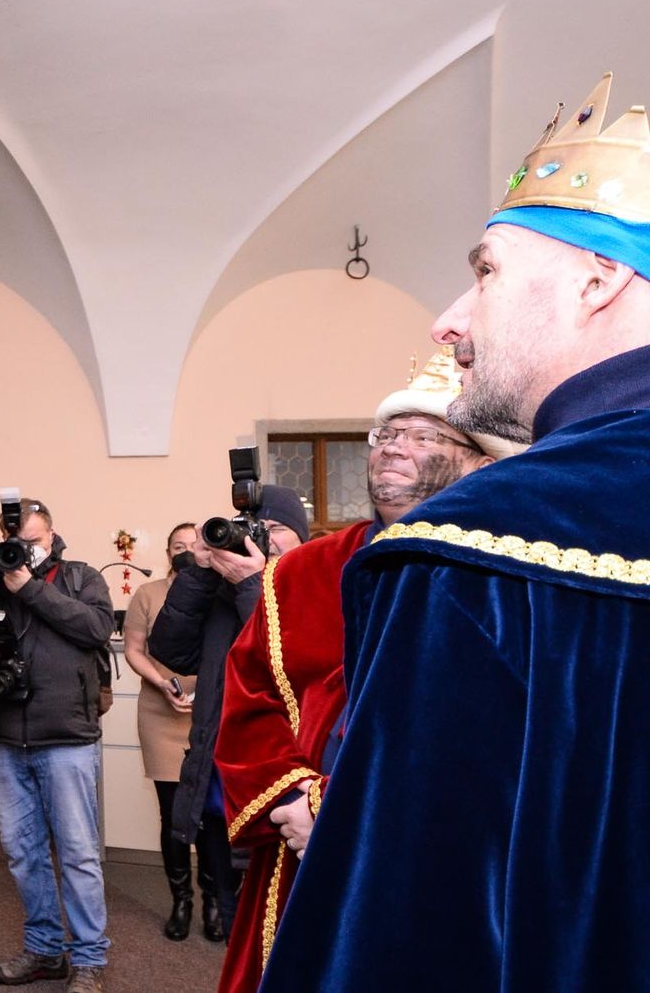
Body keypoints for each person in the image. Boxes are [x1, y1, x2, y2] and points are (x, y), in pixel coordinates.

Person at [262, 72, 650, 991]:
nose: (448, 322)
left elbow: (405, 923)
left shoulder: (468, 548)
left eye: (485, 272)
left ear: (597, 282)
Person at [213, 354, 516, 992]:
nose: (393, 448)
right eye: (386, 434)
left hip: (442, 861)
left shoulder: (504, 577)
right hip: (297, 849)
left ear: (480, 464)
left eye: (424, 436)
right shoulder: (303, 571)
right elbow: (249, 698)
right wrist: (294, 801)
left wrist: (344, 810)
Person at [0, 498, 115, 993]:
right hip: (6, 739)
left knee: (78, 854)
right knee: (23, 853)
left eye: (34, 541)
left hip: (66, 738)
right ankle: (45, 950)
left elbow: (97, 629)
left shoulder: (80, 577)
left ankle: (89, 959)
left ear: (52, 536)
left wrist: (31, 589)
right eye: (16, 542)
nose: (25, 550)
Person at [146, 485, 308, 945]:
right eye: (254, 528)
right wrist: (200, 572)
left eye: (276, 528)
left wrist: (253, 585)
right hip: (221, 783)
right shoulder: (222, 589)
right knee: (237, 928)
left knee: (290, 928)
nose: (263, 537)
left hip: (288, 790)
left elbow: (287, 666)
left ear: (302, 538)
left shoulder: (315, 586)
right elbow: (171, 651)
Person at [121, 522, 216, 941]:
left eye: (193, 544)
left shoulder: (219, 591)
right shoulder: (148, 594)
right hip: (160, 712)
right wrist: (162, 684)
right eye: (178, 545)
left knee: (211, 814)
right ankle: (181, 901)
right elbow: (134, 650)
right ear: (168, 552)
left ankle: (213, 900)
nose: (186, 551)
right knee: (173, 813)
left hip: (209, 714)